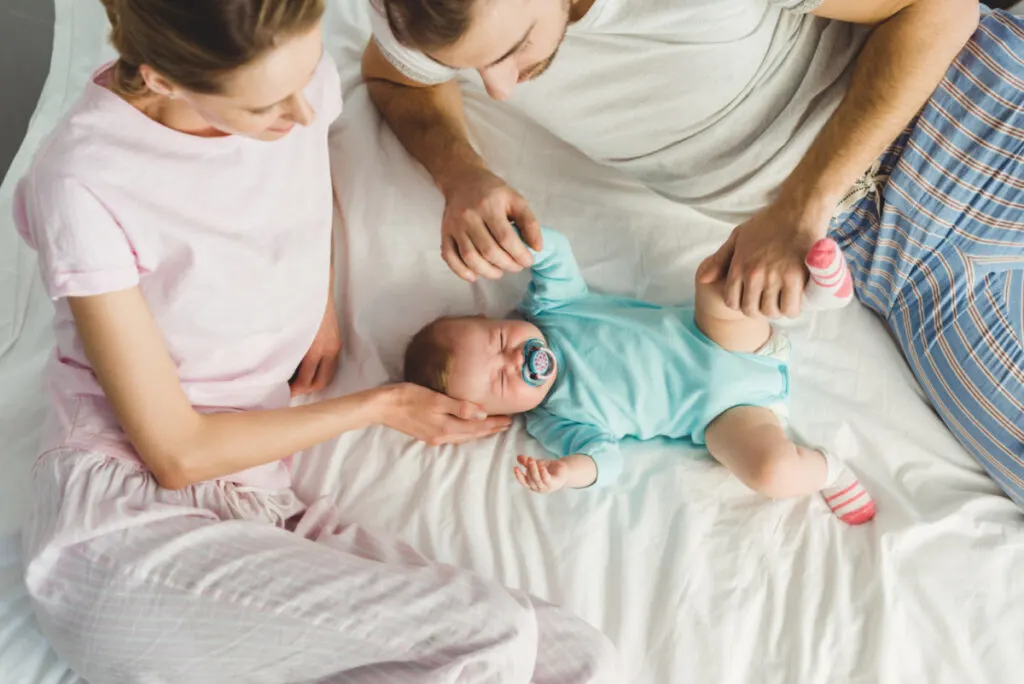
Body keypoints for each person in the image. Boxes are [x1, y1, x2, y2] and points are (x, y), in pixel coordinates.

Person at [14, 1, 623, 681]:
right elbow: (178, 454)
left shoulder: (292, 79)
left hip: (261, 510)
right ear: (161, 80)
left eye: (307, 77)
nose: (304, 115)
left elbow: (299, 180)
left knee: (577, 660)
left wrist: (318, 306)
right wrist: (381, 405)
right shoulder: (84, 181)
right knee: (491, 636)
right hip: (127, 533)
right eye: (268, 107)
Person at [362, 1, 1024, 508]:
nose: (500, 87)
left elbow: (943, 9)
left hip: (961, 122)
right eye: (472, 69)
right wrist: (461, 173)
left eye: (510, 50)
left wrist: (800, 203)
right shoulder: (425, 13)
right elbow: (395, 79)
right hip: (885, 264)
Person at [404, 226, 876, 523]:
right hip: (726, 416)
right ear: (498, 414)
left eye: (501, 341)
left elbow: (556, 252)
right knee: (770, 472)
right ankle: (829, 470)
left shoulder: (552, 307)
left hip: (721, 338)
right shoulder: (555, 421)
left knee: (714, 281)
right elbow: (605, 460)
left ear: (500, 318)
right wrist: (568, 472)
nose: (515, 360)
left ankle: (816, 296)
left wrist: (519, 245)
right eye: (503, 381)